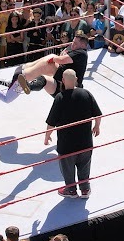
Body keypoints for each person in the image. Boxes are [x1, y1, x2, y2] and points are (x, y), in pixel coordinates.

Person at [44, 69, 102, 198]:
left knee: (67, 169)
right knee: (84, 166)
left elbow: (51, 122)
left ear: (63, 81)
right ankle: (85, 189)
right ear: (76, 79)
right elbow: (98, 114)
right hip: (85, 142)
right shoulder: (86, 94)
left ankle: (71, 191)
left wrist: (47, 137)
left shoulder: (60, 98)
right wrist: (97, 126)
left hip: (67, 145)